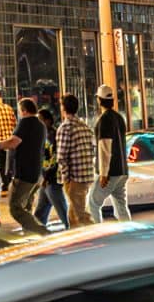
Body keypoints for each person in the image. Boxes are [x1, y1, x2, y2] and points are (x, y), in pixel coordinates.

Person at [0, 98, 47, 234]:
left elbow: (14, 142)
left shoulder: (25, 122)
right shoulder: (41, 125)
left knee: (15, 207)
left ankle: (40, 230)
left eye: (19, 110)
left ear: (24, 110)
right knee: (27, 206)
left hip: (25, 173)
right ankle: (31, 234)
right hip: (37, 172)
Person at [54, 93, 96, 229]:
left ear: (63, 108)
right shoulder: (85, 126)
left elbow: (61, 156)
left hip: (74, 177)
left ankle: (96, 237)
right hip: (86, 174)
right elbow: (92, 149)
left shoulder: (65, 127)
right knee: (74, 214)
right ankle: (78, 241)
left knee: (80, 214)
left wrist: (65, 177)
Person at [90, 88, 131, 222]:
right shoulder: (119, 118)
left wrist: (103, 173)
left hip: (111, 172)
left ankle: (97, 234)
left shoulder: (104, 119)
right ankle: (128, 232)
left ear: (99, 100)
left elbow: (104, 148)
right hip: (122, 170)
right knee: (120, 205)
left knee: (92, 203)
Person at [36, 97, 69, 230]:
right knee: (41, 209)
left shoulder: (53, 136)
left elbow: (55, 159)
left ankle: (71, 228)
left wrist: (47, 177)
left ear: (48, 121)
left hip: (52, 179)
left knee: (61, 209)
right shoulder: (44, 136)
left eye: (41, 120)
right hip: (47, 179)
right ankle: (36, 230)